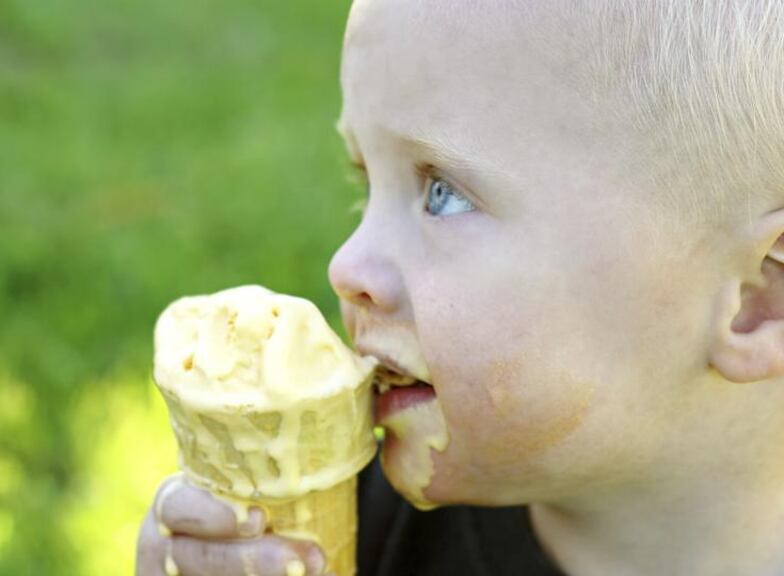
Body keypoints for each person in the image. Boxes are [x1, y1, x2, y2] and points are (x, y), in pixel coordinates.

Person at [137, 0, 784, 573]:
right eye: (364, 185)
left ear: (758, 299)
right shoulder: (353, 531)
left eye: (443, 195)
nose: (347, 265)